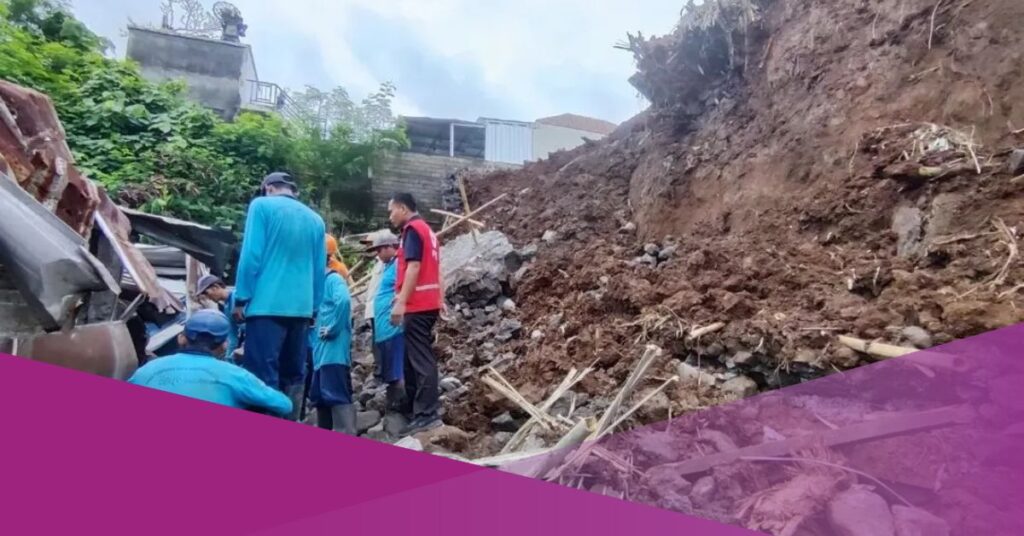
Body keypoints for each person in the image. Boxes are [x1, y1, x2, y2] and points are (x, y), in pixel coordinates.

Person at [234, 172, 326, 421]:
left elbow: (251, 255)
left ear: (268, 188)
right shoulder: (316, 220)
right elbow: (319, 270)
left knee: (261, 375)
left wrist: (241, 298)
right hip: (302, 310)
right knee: (294, 375)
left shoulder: (261, 206)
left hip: (266, 307)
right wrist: (314, 308)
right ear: (292, 191)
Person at [128, 310, 292, 416]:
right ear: (224, 346)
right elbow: (284, 405)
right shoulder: (235, 375)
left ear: (181, 338)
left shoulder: (146, 371)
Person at [388, 192, 445, 435]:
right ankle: (417, 410)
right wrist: (440, 299)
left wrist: (401, 302)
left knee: (421, 360)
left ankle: (427, 414)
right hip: (427, 301)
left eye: (391, 211)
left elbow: (414, 267)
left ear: (402, 208)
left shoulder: (412, 230)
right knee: (415, 358)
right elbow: (436, 269)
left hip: (418, 304)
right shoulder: (428, 231)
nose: (390, 216)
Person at [310, 234, 356, 435]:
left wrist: (333, 328)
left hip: (333, 354)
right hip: (321, 356)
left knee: (336, 395)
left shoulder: (333, 279)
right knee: (321, 398)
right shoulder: (320, 283)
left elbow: (344, 302)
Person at [368, 231, 405, 415]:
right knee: (391, 370)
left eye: (379, 250)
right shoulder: (389, 265)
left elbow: (408, 285)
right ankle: (395, 409)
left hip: (394, 328)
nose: (377, 254)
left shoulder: (400, 263)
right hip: (385, 328)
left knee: (397, 371)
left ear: (389, 247)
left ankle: (401, 410)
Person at [196, 275, 243, 363]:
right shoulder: (227, 307)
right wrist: (228, 359)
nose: (208, 297)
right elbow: (232, 336)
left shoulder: (238, 297)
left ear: (215, 287)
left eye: (206, 293)